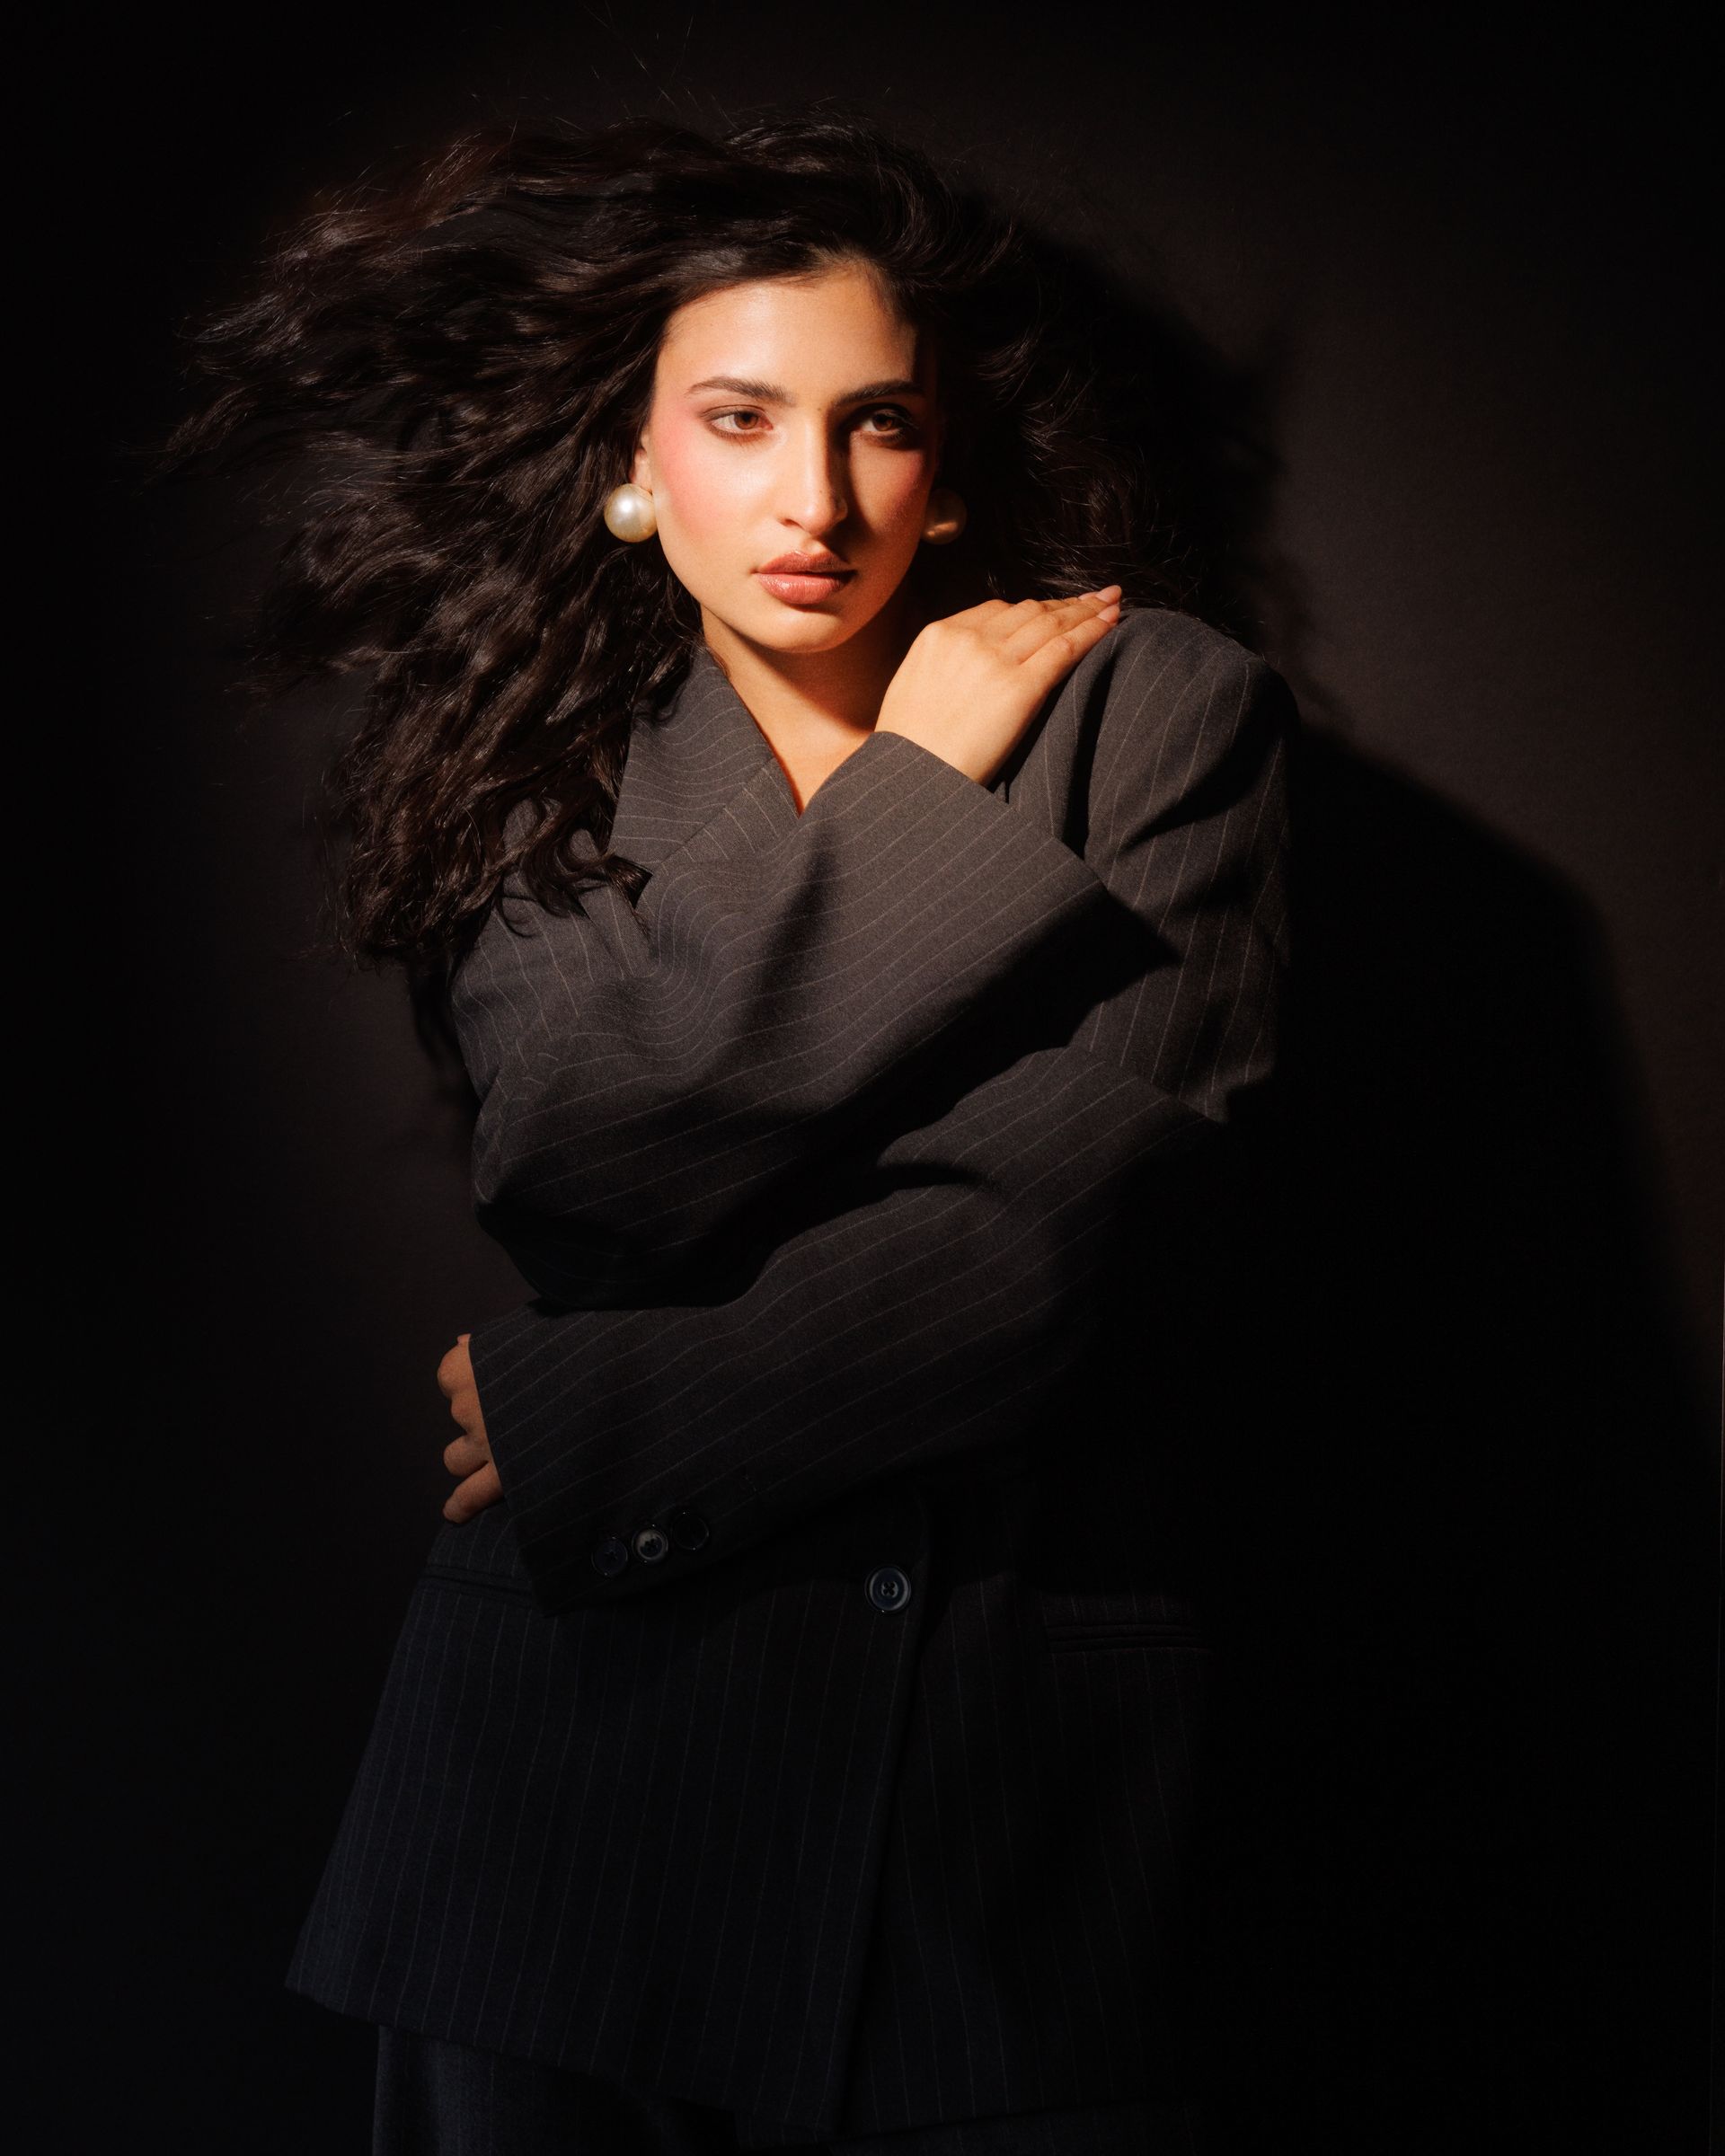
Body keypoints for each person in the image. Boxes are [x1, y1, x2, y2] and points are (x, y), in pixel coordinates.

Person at [164, 104, 1294, 2155]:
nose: (817, 497)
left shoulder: (1156, 709)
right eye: (744, 420)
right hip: (563, 1798)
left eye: (880, 426)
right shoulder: (526, 765)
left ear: (949, 466)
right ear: (634, 461)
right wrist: (914, 795)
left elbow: (1067, 1242)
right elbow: (583, 1152)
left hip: (994, 1815)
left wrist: (617, 1422)